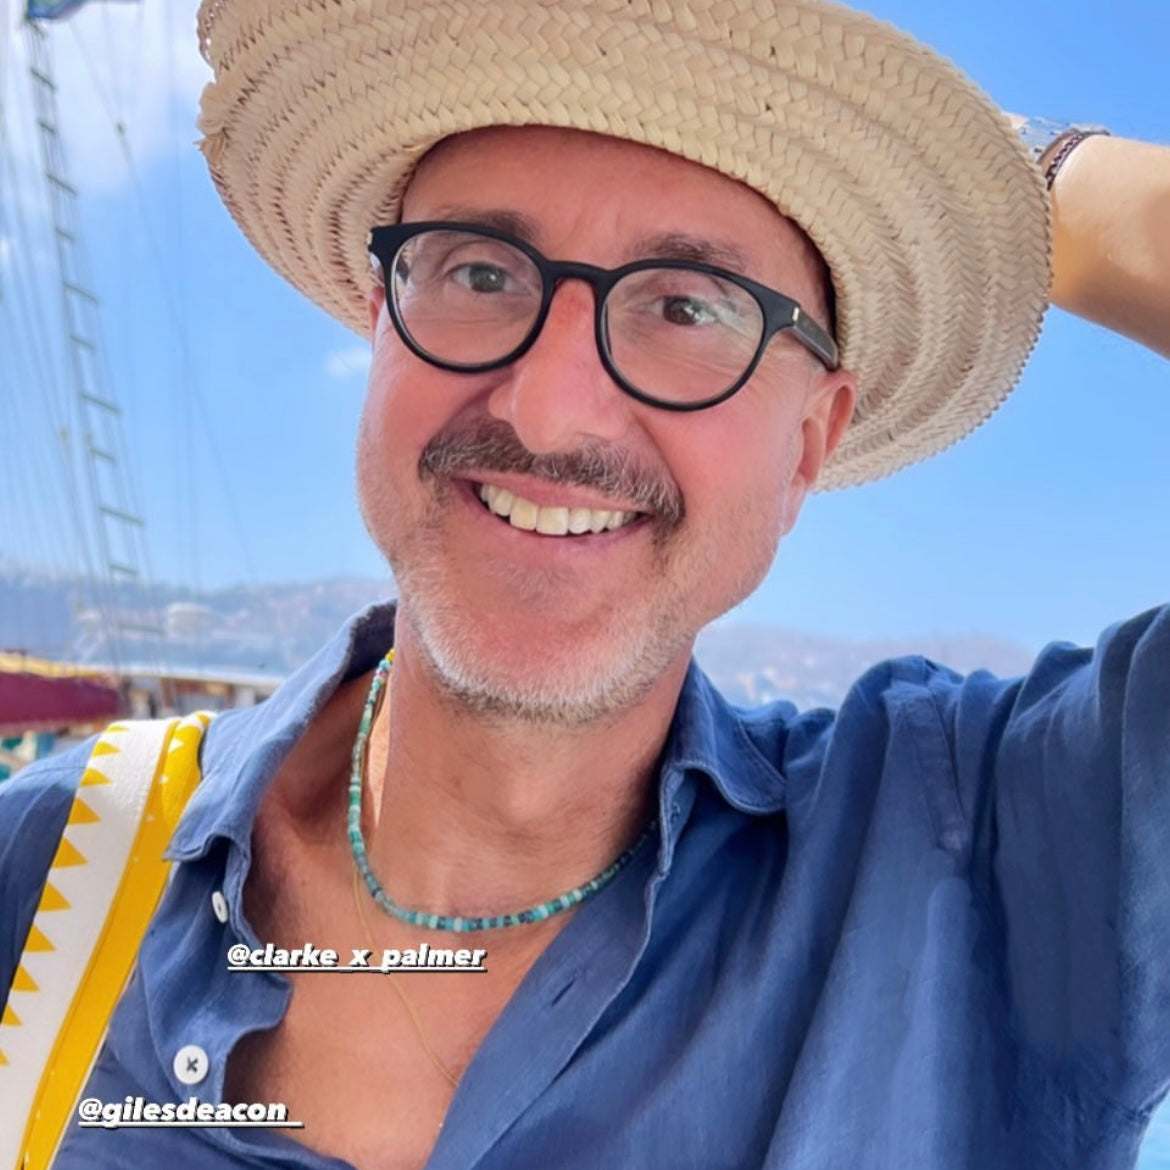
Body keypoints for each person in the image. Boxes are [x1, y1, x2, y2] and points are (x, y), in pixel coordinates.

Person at [2, 1, 1168, 1167]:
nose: (549, 411)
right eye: (478, 272)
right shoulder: (46, 871)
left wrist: (1003, 176)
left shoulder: (997, 860)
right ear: (381, 325)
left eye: (686, 307)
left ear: (810, 442)